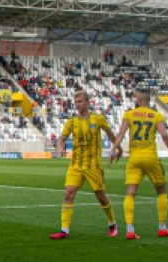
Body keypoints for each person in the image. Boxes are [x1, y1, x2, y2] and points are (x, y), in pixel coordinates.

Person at [108, 87, 168, 240]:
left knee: (130, 193)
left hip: (134, 157)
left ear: (139, 100)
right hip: (150, 157)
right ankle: (162, 227)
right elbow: (164, 135)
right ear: (149, 100)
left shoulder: (129, 114)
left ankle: (130, 229)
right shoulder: (156, 115)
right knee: (161, 190)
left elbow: (121, 134)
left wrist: (113, 150)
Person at [49, 89, 117, 240]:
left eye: (80, 102)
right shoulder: (72, 122)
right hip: (76, 165)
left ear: (87, 102)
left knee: (100, 196)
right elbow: (62, 138)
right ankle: (64, 230)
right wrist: (60, 147)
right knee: (69, 193)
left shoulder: (98, 119)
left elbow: (111, 134)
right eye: (76, 102)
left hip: (93, 165)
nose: (78, 105)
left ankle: (112, 223)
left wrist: (117, 148)